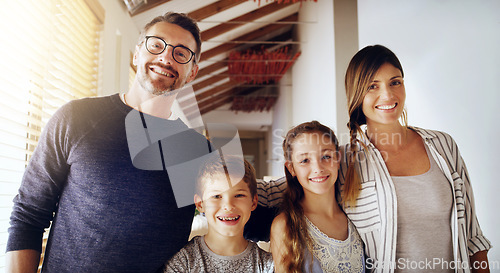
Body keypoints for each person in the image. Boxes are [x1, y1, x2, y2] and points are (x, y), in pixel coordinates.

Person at [6, 12, 209, 273]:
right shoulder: (76, 118)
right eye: (156, 45)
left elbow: (239, 214)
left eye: (181, 53)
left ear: (192, 72)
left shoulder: (198, 152)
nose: (166, 57)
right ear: (137, 54)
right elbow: (28, 215)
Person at [341, 44, 492, 273]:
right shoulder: (343, 162)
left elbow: (473, 239)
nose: (388, 95)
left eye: (395, 82)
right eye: (373, 86)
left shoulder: (443, 146)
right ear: (357, 93)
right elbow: (294, 191)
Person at [270, 121, 365, 273]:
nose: (318, 168)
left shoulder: (357, 217)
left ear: (338, 158)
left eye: (326, 156)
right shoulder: (285, 225)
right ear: (291, 168)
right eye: (305, 160)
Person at [164, 156, 274, 272]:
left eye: (239, 195)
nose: (228, 206)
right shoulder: (183, 262)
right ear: (200, 204)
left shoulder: (268, 265)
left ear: (253, 202)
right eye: (216, 196)